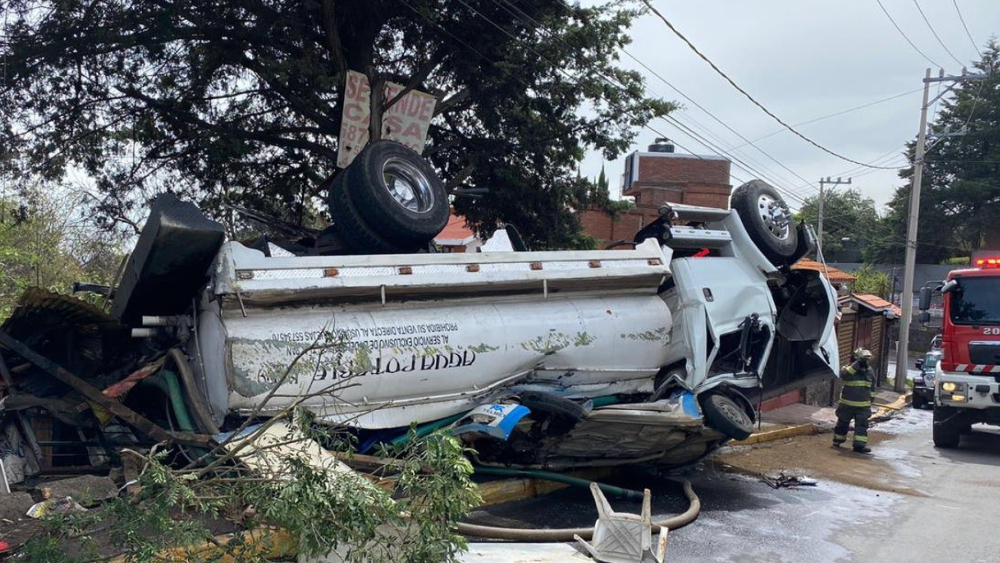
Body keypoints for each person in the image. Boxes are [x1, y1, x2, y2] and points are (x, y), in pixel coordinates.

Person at [832, 348, 877, 453]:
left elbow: (872, 388)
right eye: (863, 360)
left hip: (863, 406)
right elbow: (843, 375)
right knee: (842, 423)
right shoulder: (849, 369)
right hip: (846, 404)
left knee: (861, 426)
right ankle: (837, 441)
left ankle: (859, 446)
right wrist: (857, 364)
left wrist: (871, 400)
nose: (865, 363)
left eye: (866, 361)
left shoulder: (870, 371)